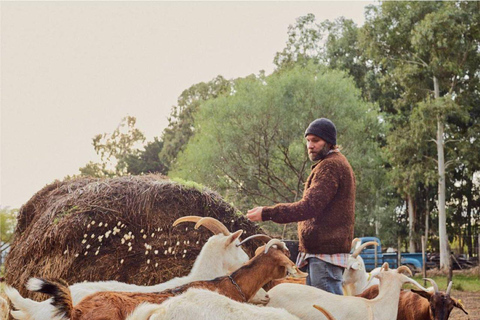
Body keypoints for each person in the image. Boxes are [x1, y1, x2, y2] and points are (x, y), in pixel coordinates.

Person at [246, 118, 355, 295]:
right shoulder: (332, 164)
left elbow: (308, 207)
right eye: (308, 140)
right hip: (321, 257)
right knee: (319, 311)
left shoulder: (331, 166)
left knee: (326, 312)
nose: (310, 145)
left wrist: (266, 213)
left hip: (324, 258)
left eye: (316, 141)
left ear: (329, 142)